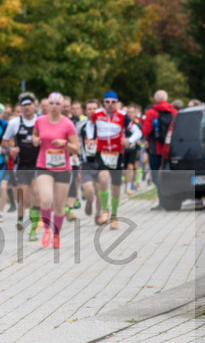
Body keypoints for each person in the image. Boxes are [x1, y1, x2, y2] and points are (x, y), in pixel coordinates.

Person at [32, 92, 80, 248]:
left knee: (59, 206)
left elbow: (77, 149)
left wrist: (65, 143)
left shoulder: (68, 124)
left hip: (63, 168)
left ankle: (57, 234)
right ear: (47, 105)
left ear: (62, 106)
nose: (54, 107)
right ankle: (47, 229)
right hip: (43, 165)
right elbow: (35, 136)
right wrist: (35, 140)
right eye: (51, 103)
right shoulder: (40, 121)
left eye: (57, 104)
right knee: (45, 199)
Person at [87, 91, 141, 229]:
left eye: (113, 102)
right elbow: (90, 124)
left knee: (116, 188)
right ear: (104, 103)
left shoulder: (123, 116)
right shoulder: (97, 114)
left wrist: (129, 140)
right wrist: (90, 138)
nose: (110, 104)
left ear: (116, 103)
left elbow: (138, 132)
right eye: (107, 102)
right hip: (102, 152)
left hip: (117, 154)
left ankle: (114, 216)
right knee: (103, 179)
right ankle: (105, 210)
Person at [2, 92, 41, 239]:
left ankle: (33, 229)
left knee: (37, 194)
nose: (26, 108)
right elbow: (4, 142)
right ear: (21, 107)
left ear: (34, 106)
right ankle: (21, 217)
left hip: (39, 164)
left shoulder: (40, 121)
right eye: (24, 106)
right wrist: (10, 149)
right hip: (22, 164)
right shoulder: (15, 123)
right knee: (26, 198)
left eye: (29, 105)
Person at [142, 90, 177, 208]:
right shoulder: (174, 112)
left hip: (156, 149)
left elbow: (146, 131)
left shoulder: (151, 112)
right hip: (171, 150)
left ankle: (162, 201)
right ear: (167, 99)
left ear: (155, 99)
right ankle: (174, 199)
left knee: (157, 175)